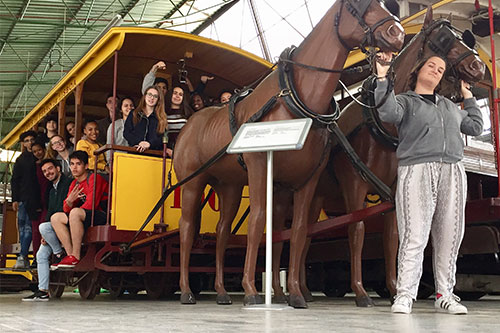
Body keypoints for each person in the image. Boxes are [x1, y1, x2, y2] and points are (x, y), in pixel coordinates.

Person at [375, 53, 483, 315]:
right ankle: (405, 295)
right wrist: (382, 77)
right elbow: (387, 111)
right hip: (417, 169)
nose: (436, 71)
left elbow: (477, 126)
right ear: (418, 71)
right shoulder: (406, 102)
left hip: (453, 170)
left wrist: (467, 94)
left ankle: (445, 294)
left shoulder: (448, 106)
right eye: (431, 66)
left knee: (450, 236)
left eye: (440, 69)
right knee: (415, 234)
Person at [22, 159, 71, 301]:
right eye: (44, 171)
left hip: (67, 225)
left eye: (50, 169)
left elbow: (66, 209)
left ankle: (58, 253)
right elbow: (50, 213)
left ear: (58, 168)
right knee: (41, 255)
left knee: (43, 226)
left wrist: (47, 230)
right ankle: (43, 291)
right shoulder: (51, 190)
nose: (47, 173)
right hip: (54, 228)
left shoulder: (67, 183)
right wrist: (46, 235)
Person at [50, 151, 109, 269]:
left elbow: (92, 204)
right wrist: (70, 201)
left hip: (102, 215)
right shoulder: (74, 183)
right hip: (83, 216)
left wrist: (73, 211)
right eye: (72, 164)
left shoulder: (94, 177)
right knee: (55, 217)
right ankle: (70, 255)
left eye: (78, 164)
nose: (74, 167)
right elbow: (65, 208)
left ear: (86, 166)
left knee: (75, 212)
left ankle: (76, 256)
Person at [11, 131, 41, 270]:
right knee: (22, 229)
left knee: (28, 228)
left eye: (31, 140)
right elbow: (15, 180)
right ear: (23, 143)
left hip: (33, 199)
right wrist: (15, 199)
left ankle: (22, 256)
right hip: (23, 199)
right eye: (27, 140)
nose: (29, 142)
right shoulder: (20, 159)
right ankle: (22, 257)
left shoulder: (38, 158)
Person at [123, 86, 167, 152]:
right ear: (145, 96)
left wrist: (149, 144)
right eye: (149, 94)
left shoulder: (161, 118)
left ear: (158, 100)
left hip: (153, 155)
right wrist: (139, 142)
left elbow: (163, 138)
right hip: (134, 152)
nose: (152, 98)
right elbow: (126, 133)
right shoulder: (134, 113)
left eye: (155, 96)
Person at [30, 141, 50, 267]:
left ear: (44, 149)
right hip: (36, 202)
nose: (38, 153)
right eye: (34, 151)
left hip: (48, 200)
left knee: (45, 228)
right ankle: (36, 257)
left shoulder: (50, 164)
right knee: (36, 230)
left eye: (39, 150)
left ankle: (46, 256)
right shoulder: (33, 166)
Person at [165, 85, 194, 156]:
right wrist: (165, 148)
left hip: (184, 152)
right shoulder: (162, 112)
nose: (177, 96)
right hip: (167, 151)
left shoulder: (189, 114)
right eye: (175, 93)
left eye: (180, 94)